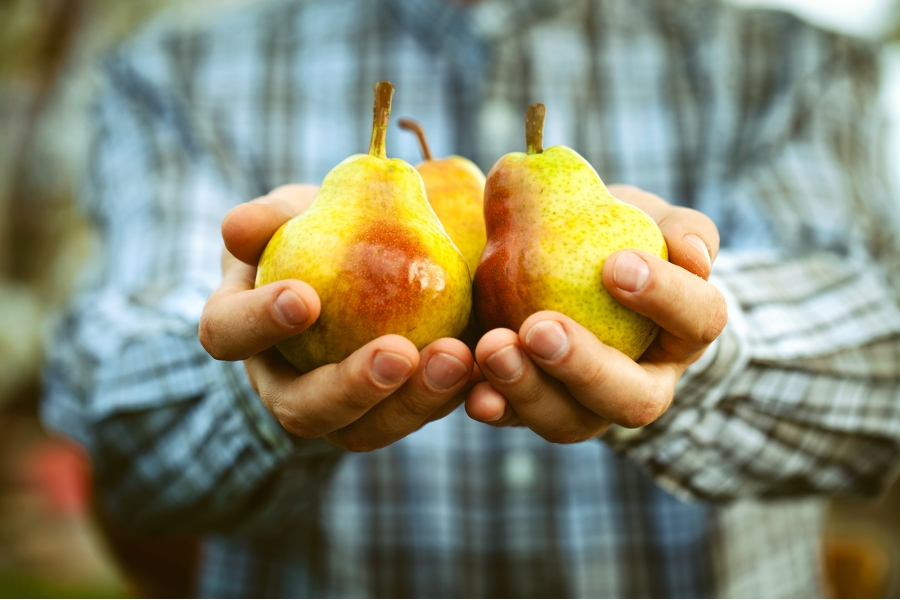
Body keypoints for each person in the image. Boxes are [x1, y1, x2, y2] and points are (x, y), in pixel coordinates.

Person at [42, 0, 900, 596]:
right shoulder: (175, 74)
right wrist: (244, 381)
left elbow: (881, 371)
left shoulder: (796, 67)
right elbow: (112, 422)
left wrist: (701, 334)